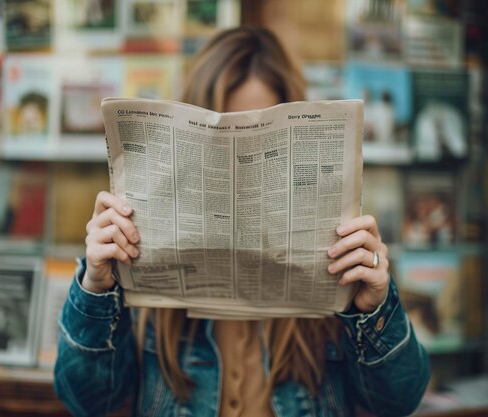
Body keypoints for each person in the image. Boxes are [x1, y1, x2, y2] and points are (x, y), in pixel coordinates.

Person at [54, 27, 430, 417]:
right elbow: (87, 403)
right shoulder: (139, 275)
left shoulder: (340, 265)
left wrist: (374, 309)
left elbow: (397, 403)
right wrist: (95, 289)